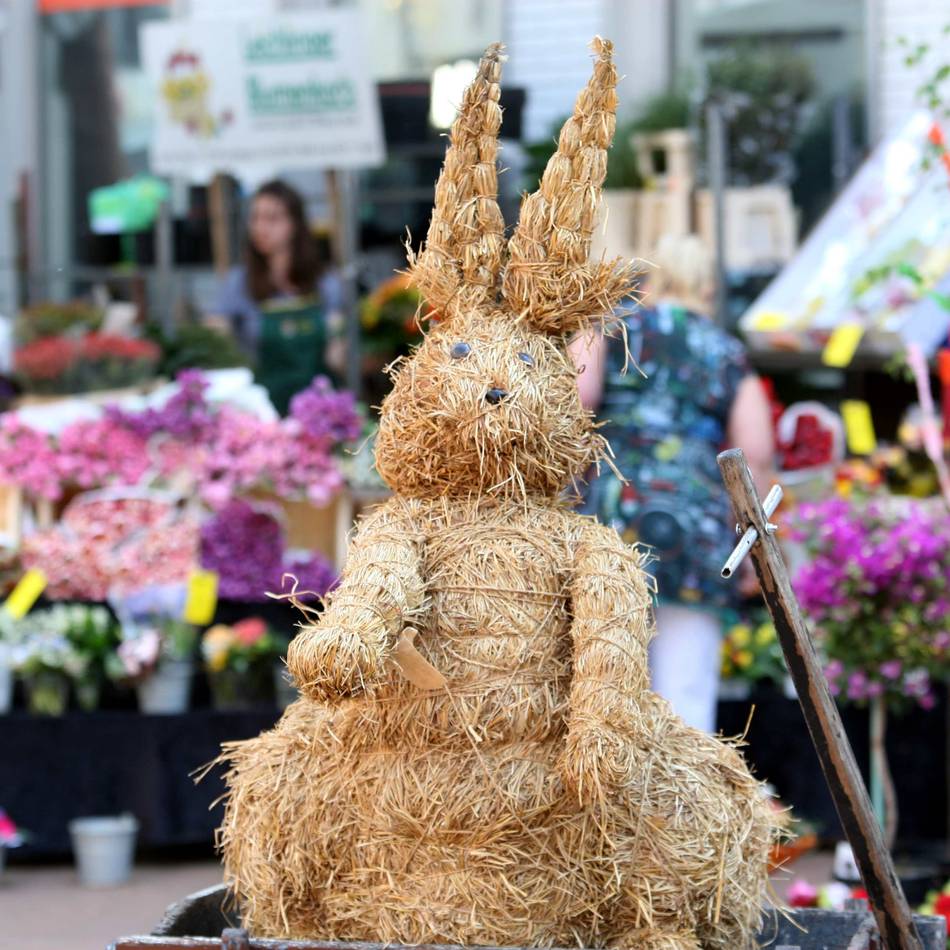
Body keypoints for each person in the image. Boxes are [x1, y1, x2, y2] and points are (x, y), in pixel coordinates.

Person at [569, 233, 774, 733]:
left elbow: (575, 398)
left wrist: (568, 487)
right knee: (686, 697)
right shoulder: (727, 353)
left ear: (651, 275)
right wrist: (754, 545)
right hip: (698, 534)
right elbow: (757, 455)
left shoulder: (613, 329)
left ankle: (607, 800)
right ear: (708, 286)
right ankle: (682, 806)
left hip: (613, 520)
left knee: (606, 681)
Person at [208, 179, 345, 412]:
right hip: (260, 411)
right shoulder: (238, 283)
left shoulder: (326, 283)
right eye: (255, 218)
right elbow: (216, 339)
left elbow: (340, 351)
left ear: (295, 224)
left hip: (322, 411)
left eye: (272, 219)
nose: (260, 227)